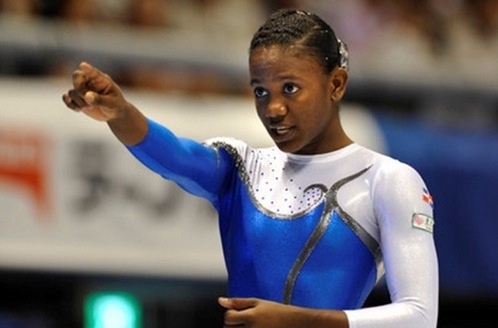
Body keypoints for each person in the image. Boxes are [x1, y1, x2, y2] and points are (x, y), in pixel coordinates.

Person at [62, 8, 438, 328]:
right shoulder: (242, 167)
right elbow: (177, 157)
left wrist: (298, 320)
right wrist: (121, 113)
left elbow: (420, 316)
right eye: (261, 91)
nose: (273, 108)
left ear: (336, 84)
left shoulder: (388, 180)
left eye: (290, 88)